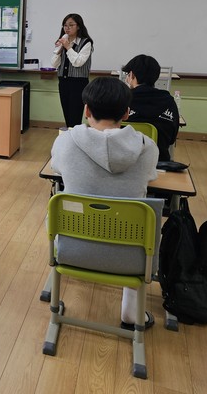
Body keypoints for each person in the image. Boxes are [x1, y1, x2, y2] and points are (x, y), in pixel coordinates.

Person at [50, 77, 159, 329]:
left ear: (86, 110)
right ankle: (131, 312)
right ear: (127, 113)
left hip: (71, 247)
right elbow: (151, 177)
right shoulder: (148, 148)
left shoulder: (66, 141)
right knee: (137, 219)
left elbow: (56, 167)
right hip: (132, 256)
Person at [122, 54, 180, 162]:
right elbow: (172, 139)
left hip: (125, 161)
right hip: (159, 162)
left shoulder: (122, 99)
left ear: (131, 75)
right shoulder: (169, 101)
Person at [51, 13, 93, 128]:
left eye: (71, 25)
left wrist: (68, 47)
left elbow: (78, 62)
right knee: (67, 114)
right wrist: (59, 49)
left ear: (78, 26)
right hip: (63, 82)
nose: (67, 28)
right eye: (65, 25)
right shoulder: (63, 41)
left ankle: (75, 136)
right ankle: (70, 135)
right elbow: (54, 64)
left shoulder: (86, 42)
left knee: (75, 116)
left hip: (78, 83)